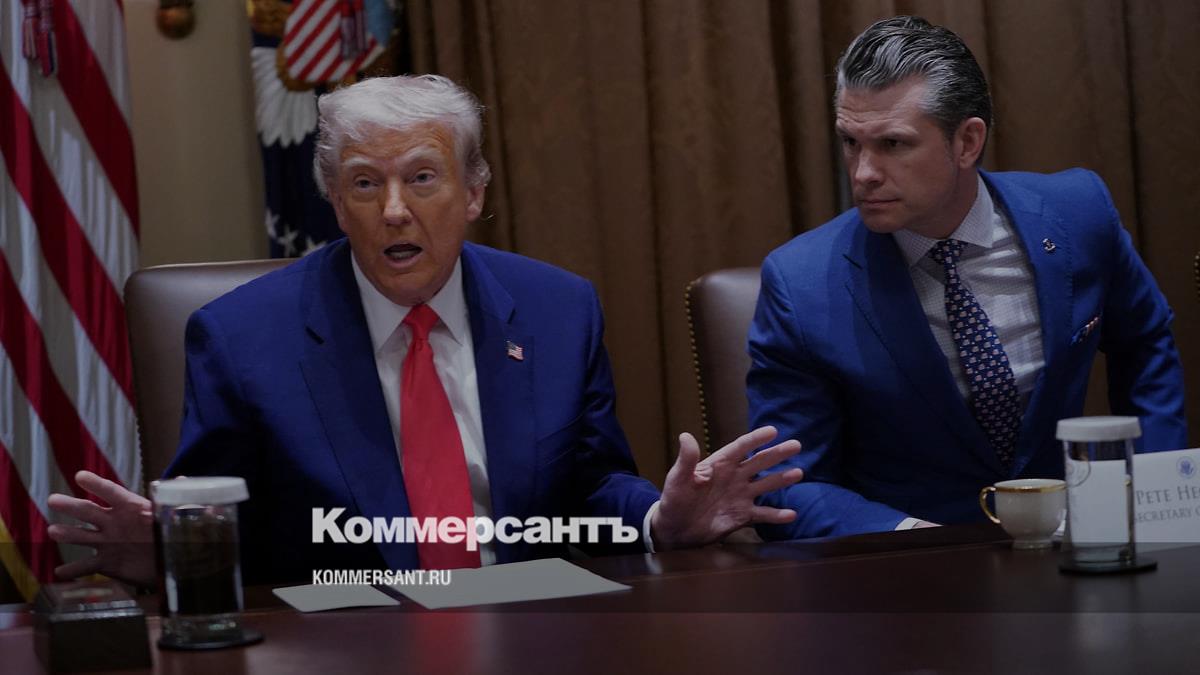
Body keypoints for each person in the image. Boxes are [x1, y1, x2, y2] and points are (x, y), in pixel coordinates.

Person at [47, 75, 804, 585]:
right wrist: (174, 549)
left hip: (531, 624)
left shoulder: (558, 310)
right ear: (335, 203)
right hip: (342, 637)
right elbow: (222, 521)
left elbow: (590, 484)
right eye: (364, 184)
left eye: (421, 177)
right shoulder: (240, 337)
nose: (394, 211)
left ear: (473, 192)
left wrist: (657, 519)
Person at [751, 16, 1187, 540]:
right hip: (911, 565)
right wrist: (916, 537)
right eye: (850, 142)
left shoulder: (1078, 215)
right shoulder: (800, 284)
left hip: (1075, 545)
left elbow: (1146, 343)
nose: (863, 173)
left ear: (967, 142)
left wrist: (1155, 494)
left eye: (893, 144)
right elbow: (785, 483)